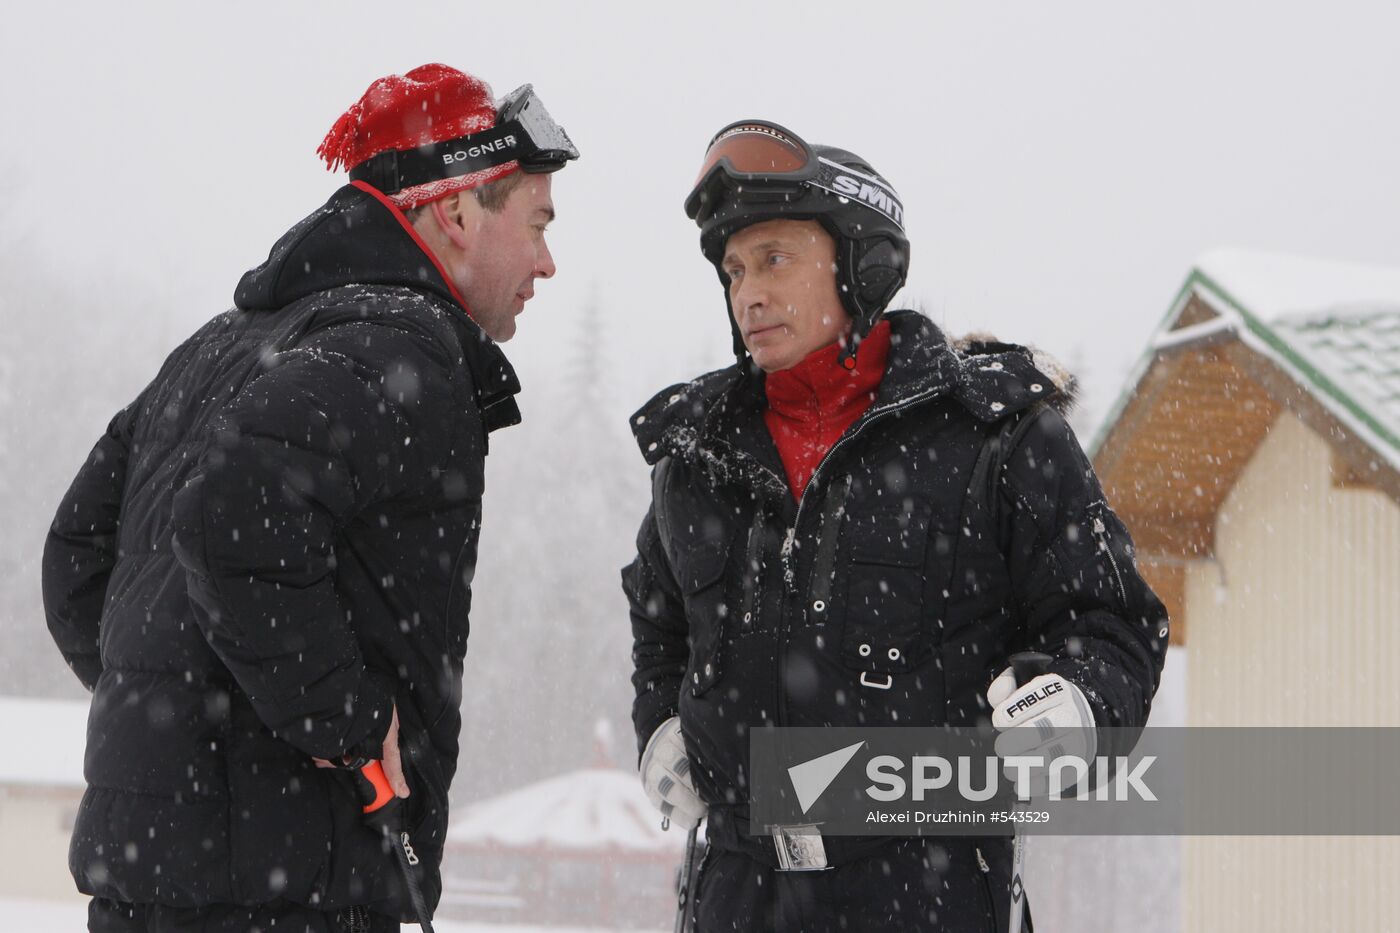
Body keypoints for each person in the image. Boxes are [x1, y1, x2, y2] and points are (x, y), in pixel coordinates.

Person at [42, 64, 576, 933]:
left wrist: (180, 707)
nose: (548, 262)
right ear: (455, 211)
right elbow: (231, 513)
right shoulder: (402, 346)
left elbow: (76, 559)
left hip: (150, 884)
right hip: (290, 889)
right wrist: (345, 722)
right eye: (537, 224)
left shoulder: (215, 348)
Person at [623, 120, 1168, 931]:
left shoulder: (997, 437)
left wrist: (1081, 702)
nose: (749, 293)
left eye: (775, 259)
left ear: (859, 263)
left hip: (929, 889)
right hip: (736, 893)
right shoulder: (696, 458)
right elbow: (660, 628)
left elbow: (1113, 620)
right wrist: (662, 722)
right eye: (735, 269)